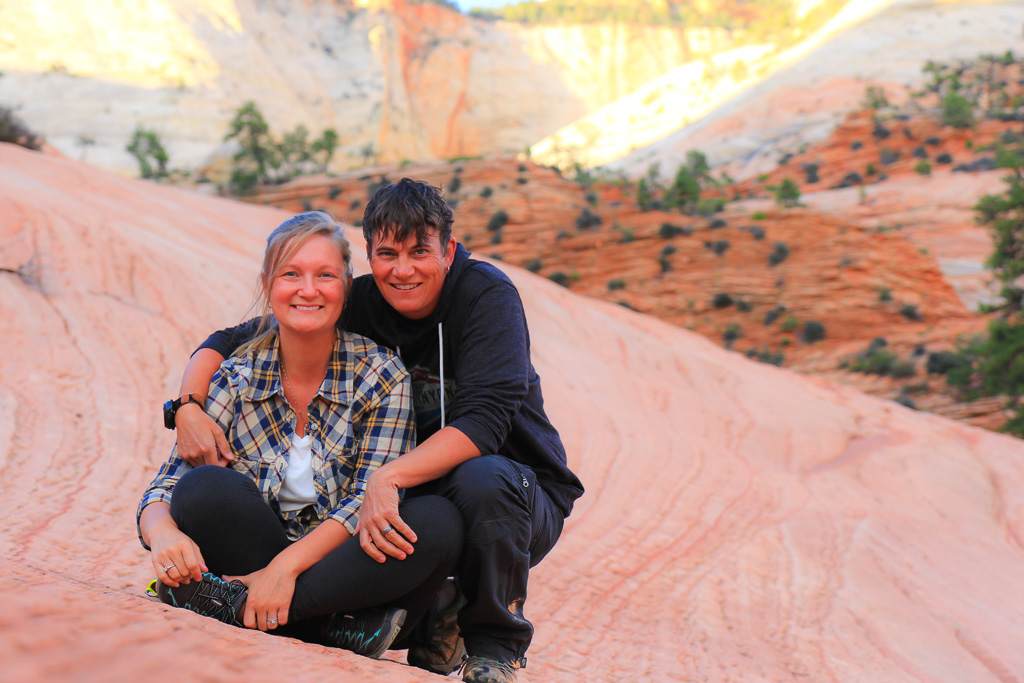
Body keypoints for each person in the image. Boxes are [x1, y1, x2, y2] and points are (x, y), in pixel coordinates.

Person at [172, 179, 585, 682]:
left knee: (479, 480)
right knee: (415, 520)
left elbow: (485, 422)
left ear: (449, 250)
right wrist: (189, 405)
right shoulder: (362, 300)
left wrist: (386, 478)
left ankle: (495, 648)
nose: (403, 269)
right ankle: (384, 619)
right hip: (418, 493)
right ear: (369, 256)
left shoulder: (486, 296)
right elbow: (235, 338)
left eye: (420, 252)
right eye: (387, 254)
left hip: (518, 495)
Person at [138, 211, 464, 659]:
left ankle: (237, 604)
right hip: (252, 552)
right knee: (201, 489)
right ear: (269, 284)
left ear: (346, 287)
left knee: (438, 523)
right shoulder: (236, 377)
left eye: (325, 275)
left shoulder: (382, 376)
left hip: (343, 568)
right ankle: (331, 628)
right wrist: (163, 536)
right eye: (291, 274)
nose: (308, 290)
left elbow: (362, 506)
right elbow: (167, 485)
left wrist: (284, 569)